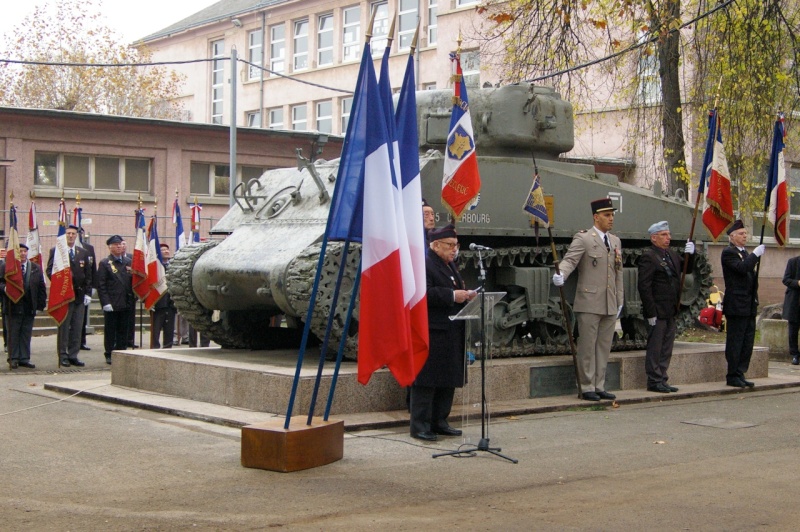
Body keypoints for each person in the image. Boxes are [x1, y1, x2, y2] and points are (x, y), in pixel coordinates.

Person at [410, 224, 477, 442]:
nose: (454, 249)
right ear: (436, 245)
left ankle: (440, 420)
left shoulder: (449, 265)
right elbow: (422, 294)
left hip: (452, 329)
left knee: (448, 378)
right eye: (450, 245)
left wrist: (465, 295)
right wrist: (451, 295)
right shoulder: (425, 263)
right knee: (428, 380)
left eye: (456, 245)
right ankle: (420, 425)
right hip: (433, 330)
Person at [552, 198, 624, 401]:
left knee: (603, 346)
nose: (611, 219)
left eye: (612, 215)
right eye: (607, 215)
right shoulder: (584, 238)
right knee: (587, 346)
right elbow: (570, 260)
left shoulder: (615, 241)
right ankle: (586, 386)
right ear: (596, 217)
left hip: (609, 302)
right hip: (590, 301)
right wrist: (562, 275)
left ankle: (599, 385)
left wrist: (620, 299)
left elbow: (619, 273)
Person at [637, 221, 695, 393]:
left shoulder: (670, 254)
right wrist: (650, 312)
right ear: (654, 238)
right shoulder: (649, 256)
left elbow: (686, 268)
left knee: (666, 347)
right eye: (664, 235)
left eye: (668, 234)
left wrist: (691, 254)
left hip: (670, 309)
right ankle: (654, 380)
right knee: (655, 347)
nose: (668, 238)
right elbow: (644, 286)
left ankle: (662, 377)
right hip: (657, 310)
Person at [721, 219, 765, 387]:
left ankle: (740, 372)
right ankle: (732, 374)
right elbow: (741, 269)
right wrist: (755, 255)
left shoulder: (745, 253)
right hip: (737, 304)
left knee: (747, 341)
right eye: (741, 233)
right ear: (732, 236)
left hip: (749, 303)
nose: (745, 236)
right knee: (736, 340)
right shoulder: (729, 252)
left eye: (746, 233)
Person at [46, 224, 93, 367]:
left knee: (77, 327)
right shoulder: (56, 251)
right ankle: (63, 355)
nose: (71, 236)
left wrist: (88, 293)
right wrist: (60, 284)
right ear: (64, 235)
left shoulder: (82, 252)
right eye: (68, 234)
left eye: (73, 234)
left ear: (77, 235)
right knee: (64, 327)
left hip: (79, 295)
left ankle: (73, 355)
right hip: (64, 296)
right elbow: (50, 271)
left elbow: (88, 275)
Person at [0, 243, 47, 369]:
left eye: (25, 251)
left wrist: (40, 305)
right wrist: (6, 289)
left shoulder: (35, 267)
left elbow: (41, 286)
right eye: (20, 251)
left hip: (29, 306)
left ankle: (24, 358)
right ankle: (13, 358)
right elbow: (1, 282)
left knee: (26, 334)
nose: (23, 254)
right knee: (13, 334)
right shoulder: (7, 266)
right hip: (13, 306)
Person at [96, 235, 134, 364]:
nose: (119, 246)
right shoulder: (105, 263)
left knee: (124, 329)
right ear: (110, 247)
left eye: (120, 244)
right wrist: (105, 302)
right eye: (115, 244)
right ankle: (109, 353)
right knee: (110, 330)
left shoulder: (129, 261)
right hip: (112, 302)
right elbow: (101, 285)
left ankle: (121, 351)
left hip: (126, 301)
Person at [150, 243, 176, 349]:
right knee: (156, 330)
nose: (166, 251)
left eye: (167, 249)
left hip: (171, 303)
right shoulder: (154, 267)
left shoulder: (173, 266)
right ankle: (155, 348)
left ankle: (168, 347)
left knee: (169, 329)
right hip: (158, 303)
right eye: (163, 250)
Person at [77, 227, 97, 351]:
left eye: (80, 232)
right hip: (70, 287)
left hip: (84, 287)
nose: (78, 235)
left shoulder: (88, 248)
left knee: (82, 317)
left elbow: (92, 268)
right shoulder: (64, 248)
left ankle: (81, 341)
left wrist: (93, 286)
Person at [781, 255, 800, 366]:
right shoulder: (793, 261)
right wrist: (797, 283)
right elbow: (786, 279)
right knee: (793, 330)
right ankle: (795, 355)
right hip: (795, 302)